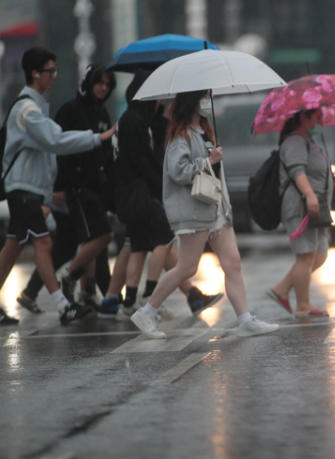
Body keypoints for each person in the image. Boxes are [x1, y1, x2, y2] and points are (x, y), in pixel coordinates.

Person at [130, 90, 277, 339]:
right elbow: (178, 171)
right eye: (204, 97)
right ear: (193, 101)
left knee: (233, 263)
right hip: (194, 209)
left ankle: (245, 319)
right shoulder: (181, 135)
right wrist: (208, 160)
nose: (208, 102)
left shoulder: (204, 132)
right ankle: (147, 311)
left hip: (216, 207)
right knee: (187, 267)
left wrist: (211, 158)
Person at [0, 47, 116, 325]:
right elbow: (56, 141)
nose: (54, 76)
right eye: (50, 71)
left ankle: (58, 302)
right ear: (35, 74)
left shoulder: (37, 106)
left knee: (13, 247)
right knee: (43, 242)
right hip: (23, 188)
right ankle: (64, 306)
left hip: (30, 189)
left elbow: (47, 152)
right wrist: (98, 138)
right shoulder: (28, 110)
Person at [99, 72, 221, 318]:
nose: (160, 102)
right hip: (139, 194)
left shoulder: (140, 120)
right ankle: (146, 298)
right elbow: (145, 161)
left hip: (134, 193)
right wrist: (158, 189)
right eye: (155, 97)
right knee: (162, 241)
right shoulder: (136, 122)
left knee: (137, 244)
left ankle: (128, 298)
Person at [265, 108, 335, 318]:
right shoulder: (294, 142)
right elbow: (298, 171)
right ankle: (303, 305)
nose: (320, 120)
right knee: (305, 256)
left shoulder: (308, 141)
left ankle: (282, 289)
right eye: (316, 116)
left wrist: (330, 180)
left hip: (316, 206)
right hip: (301, 206)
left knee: (319, 255)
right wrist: (309, 195)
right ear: (301, 117)